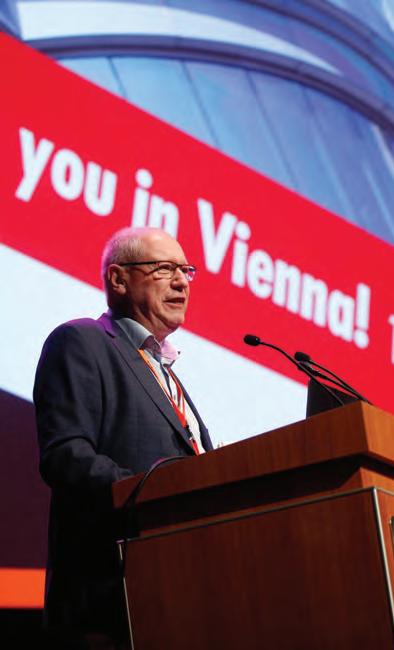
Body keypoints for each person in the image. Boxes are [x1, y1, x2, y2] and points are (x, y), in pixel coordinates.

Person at [33, 227, 213, 648]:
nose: (182, 281)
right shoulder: (82, 341)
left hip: (181, 600)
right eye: (164, 268)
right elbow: (66, 456)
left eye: (186, 270)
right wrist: (157, 496)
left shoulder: (168, 376)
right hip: (110, 604)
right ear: (118, 279)